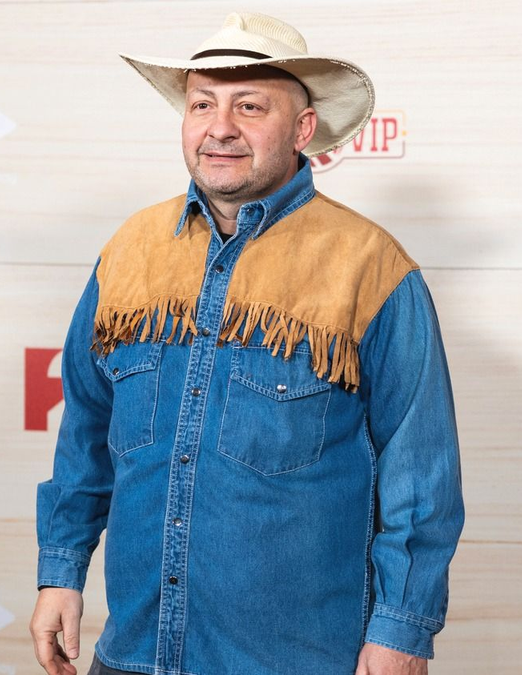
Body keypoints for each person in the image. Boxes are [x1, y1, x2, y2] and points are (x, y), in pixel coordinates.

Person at [30, 12, 465, 675]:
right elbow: (87, 429)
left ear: (303, 129)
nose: (220, 127)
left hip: (294, 660)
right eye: (202, 103)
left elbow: (420, 469)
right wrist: (60, 571)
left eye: (250, 106)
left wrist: (403, 630)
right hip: (134, 653)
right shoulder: (129, 252)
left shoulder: (370, 267)